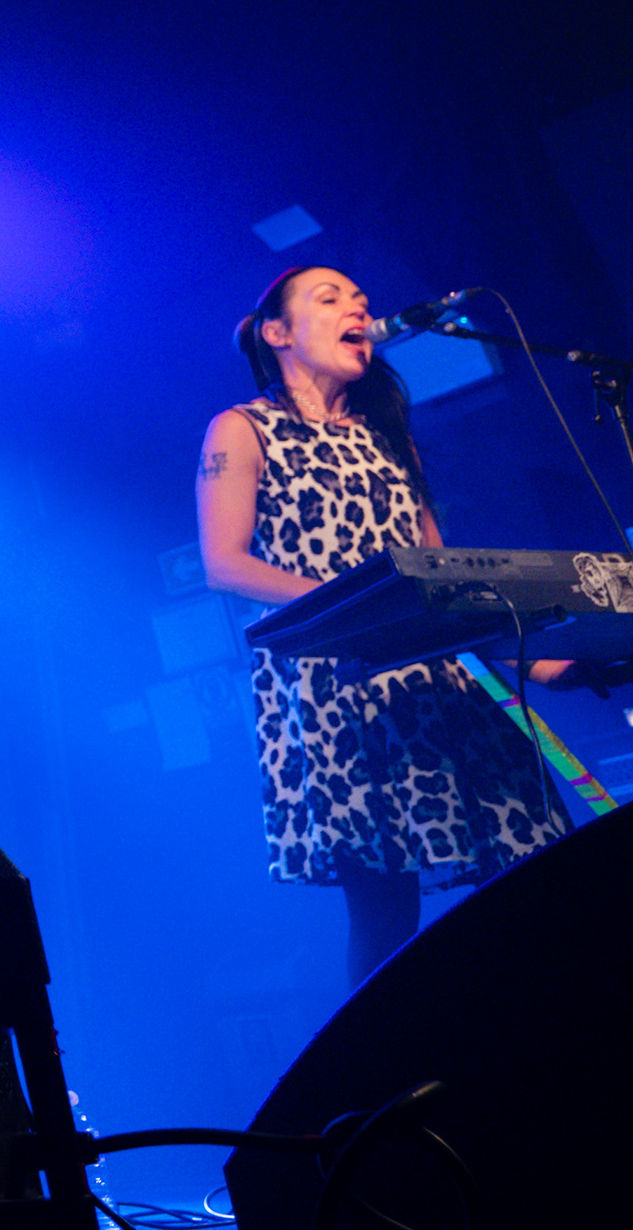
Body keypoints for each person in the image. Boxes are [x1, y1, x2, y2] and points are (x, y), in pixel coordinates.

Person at [195, 265, 568, 984]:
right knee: (386, 911)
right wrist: (361, 611)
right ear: (277, 333)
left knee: (531, 858)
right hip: (336, 683)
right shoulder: (242, 429)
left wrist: (541, 659)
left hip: (431, 677)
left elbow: (444, 580)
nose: (357, 308)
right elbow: (225, 563)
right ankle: (378, 1054)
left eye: (361, 300)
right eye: (330, 298)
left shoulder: (391, 436)